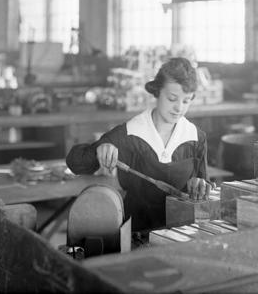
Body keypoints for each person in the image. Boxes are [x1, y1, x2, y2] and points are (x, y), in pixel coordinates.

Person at [66, 57, 212, 232]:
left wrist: (200, 184)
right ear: (157, 92)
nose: (179, 108)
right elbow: (75, 163)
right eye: (172, 98)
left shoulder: (195, 138)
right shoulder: (130, 133)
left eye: (186, 101)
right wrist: (100, 150)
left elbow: (205, 184)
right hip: (136, 232)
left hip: (181, 233)